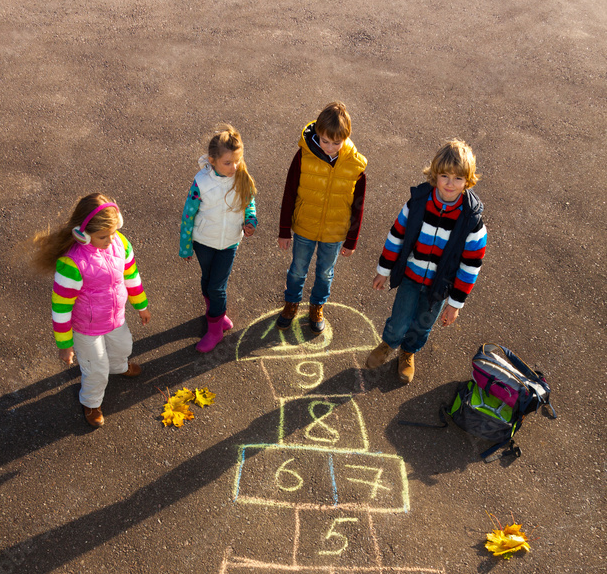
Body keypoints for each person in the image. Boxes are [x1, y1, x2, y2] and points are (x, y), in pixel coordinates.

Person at [365, 138, 487, 383]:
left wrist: (455, 303)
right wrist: (384, 269)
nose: (450, 184)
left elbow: (470, 265)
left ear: (468, 180)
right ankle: (389, 343)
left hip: (439, 287)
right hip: (411, 275)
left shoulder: (471, 220)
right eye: (444, 176)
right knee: (399, 319)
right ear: (434, 174)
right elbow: (397, 234)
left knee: (422, 324)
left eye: (458, 178)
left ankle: (408, 352)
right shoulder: (419, 203)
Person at [32, 193, 150, 428]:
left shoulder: (120, 244)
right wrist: (65, 344)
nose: (110, 240)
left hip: (115, 318)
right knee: (96, 369)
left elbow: (131, 275)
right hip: (87, 328)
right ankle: (91, 401)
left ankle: (119, 367)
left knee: (124, 346)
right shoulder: (72, 264)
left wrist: (141, 305)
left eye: (114, 232)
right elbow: (61, 308)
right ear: (82, 234)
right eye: (102, 236)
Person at [276, 101, 367, 334]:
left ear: (346, 137)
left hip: (335, 232)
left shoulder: (355, 165)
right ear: (318, 134)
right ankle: (292, 303)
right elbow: (289, 191)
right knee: (297, 269)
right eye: (325, 140)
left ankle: (317, 306)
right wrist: (284, 229)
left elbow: (358, 206)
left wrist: (351, 240)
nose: (329, 147)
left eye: (336, 143)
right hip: (305, 226)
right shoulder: (303, 156)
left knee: (326, 273)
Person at [179, 125, 257, 353]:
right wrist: (185, 247)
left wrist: (251, 220)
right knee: (207, 280)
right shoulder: (201, 182)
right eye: (228, 162)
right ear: (212, 160)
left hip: (229, 242)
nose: (234, 167)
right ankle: (216, 313)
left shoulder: (241, 177)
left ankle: (215, 331)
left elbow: (249, 201)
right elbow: (188, 214)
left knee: (217, 287)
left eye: (237, 161)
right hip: (203, 241)